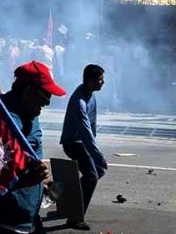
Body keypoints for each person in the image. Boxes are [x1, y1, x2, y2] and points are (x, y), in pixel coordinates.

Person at [0, 60, 66, 233]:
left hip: (30, 215)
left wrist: (42, 183)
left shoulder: (32, 111)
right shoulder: (0, 121)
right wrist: (25, 181)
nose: (48, 103)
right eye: (45, 96)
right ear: (28, 91)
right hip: (5, 221)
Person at [59, 64, 106, 231]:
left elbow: (92, 126)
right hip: (73, 143)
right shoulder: (79, 101)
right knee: (91, 176)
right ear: (90, 81)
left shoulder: (91, 96)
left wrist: (96, 154)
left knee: (98, 171)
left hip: (84, 143)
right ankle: (75, 218)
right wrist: (98, 155)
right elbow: (85, 132)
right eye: (100, 79)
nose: (103, 82)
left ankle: (64, 196)